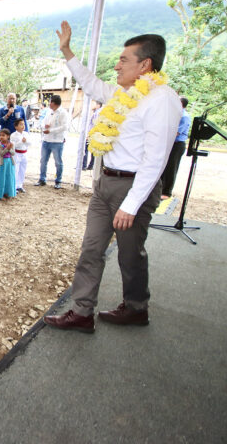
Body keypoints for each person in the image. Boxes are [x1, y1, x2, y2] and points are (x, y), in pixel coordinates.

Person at [44, 22, 182, 333]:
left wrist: (131, 205)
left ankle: (136, 308)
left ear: (145, 64)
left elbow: (156, 159)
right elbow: (91, 84)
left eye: (123, 60)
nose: (116, 65)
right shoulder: (123, 92)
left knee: (130, 255)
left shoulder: (162, 98)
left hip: (134, 188)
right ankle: (81, 312)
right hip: (105, 184)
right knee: (91, 249)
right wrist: (66, 51)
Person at [35, 95, 69, 189]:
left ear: (53, 103)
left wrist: (51, 130)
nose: (49, 104)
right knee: (43, 161)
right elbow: (42, 122)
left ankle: (58, 181)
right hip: (46, 139)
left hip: (57, 140)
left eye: (50, 102)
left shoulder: (63, 113)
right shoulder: (49, 112)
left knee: (58, 162)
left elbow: (65, 127)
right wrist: (44, 126)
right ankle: (42, 179)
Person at [160, 97, 191, 199]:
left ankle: (166, 192)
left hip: (176, 145)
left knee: (171, 168)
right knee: (163, 167)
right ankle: (160, 189)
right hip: (168, 143)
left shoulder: (184, 116)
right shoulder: (174, 114)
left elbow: (176, 132)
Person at [0, 128, 16, 200]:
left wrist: (9, 148)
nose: (1, 137)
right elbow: (1, 154)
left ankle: (8, 193)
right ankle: (0, 194)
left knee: (9, 177)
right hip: (2, 162)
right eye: (0, 135)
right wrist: (7, 148)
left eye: (3, 135)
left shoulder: (11, 144)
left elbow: (13, 153)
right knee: (1, 178)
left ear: (8, 136)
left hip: (10, 162)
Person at [10, 118, 30, 193]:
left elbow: (30, 143)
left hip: (24, 153)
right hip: (17, 153)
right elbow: (13, 145)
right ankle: (14, 186)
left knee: (22, 170)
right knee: (16, 170)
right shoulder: (13, 135)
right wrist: (21, 142)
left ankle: (20, 185)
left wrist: (26, 141)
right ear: (16, 126)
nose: (23, 126)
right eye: (21, 124)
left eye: (23, 124)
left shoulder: (26, 134)